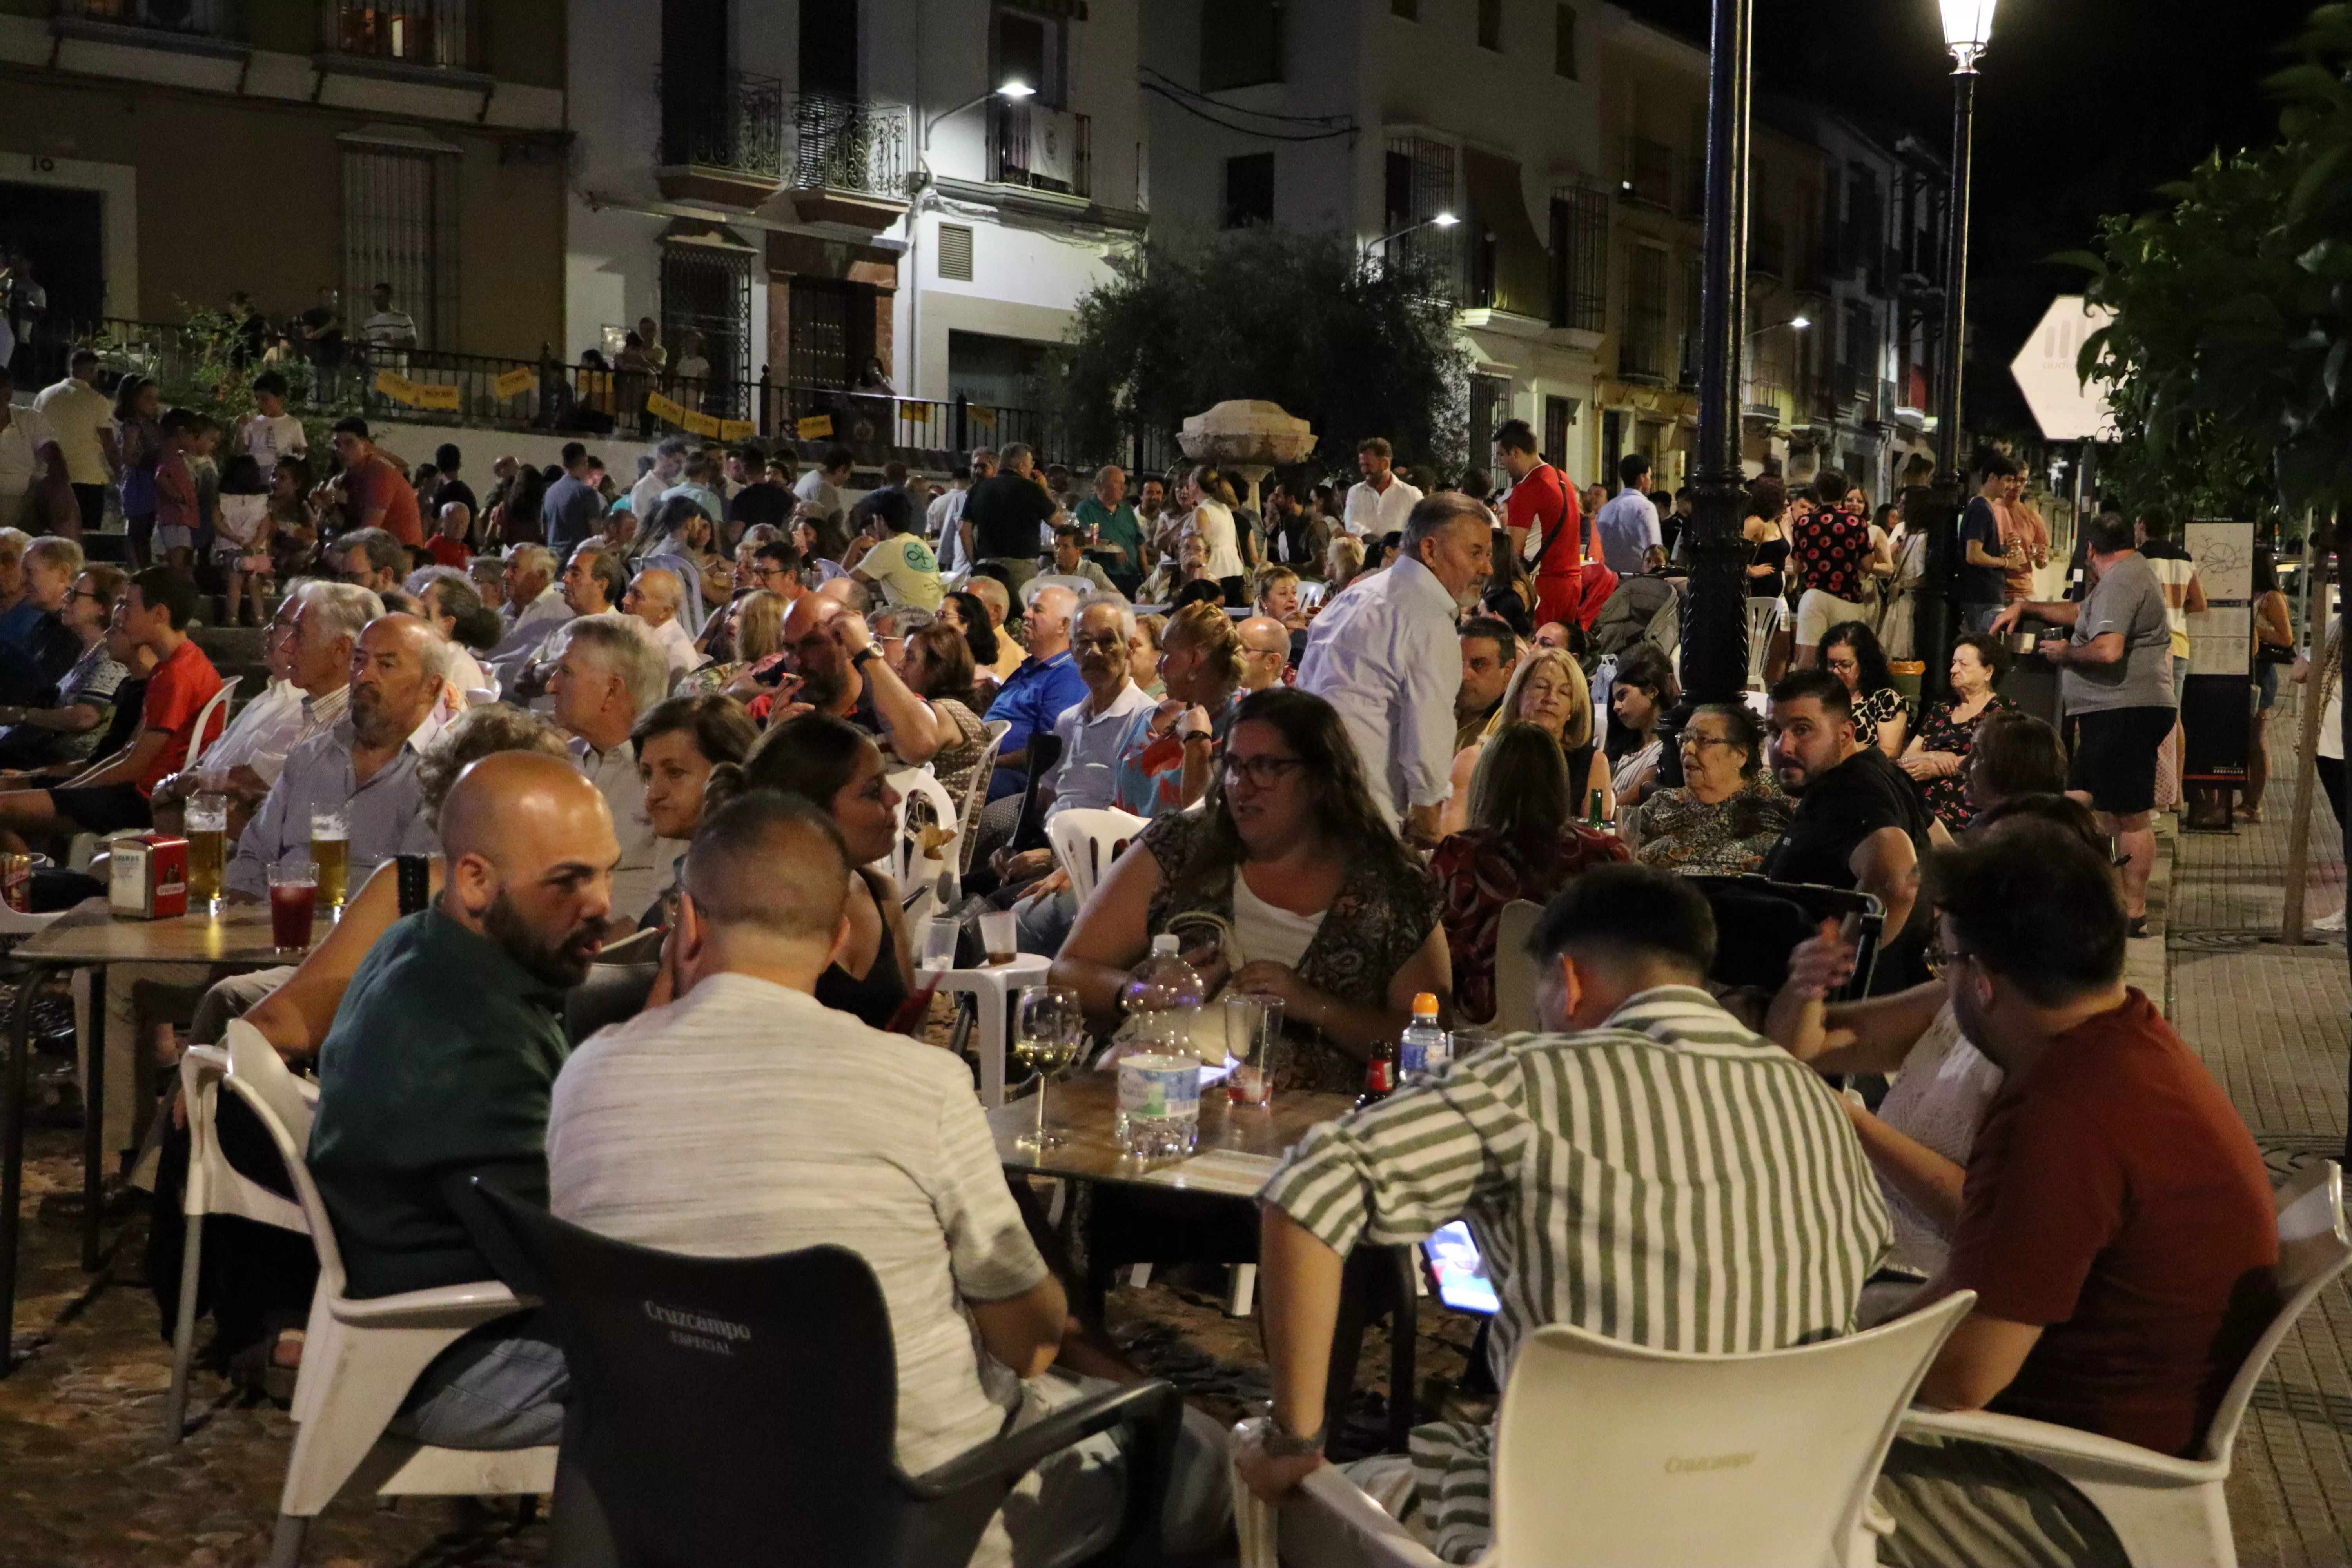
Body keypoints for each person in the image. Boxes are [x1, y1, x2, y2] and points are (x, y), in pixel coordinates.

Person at [548, 791, 1227, 1565]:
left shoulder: (586, 1078)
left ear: (688, 925)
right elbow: (1033, 1345)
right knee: (1201, 1457)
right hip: (918, 1514)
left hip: (674, 1500)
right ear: (839, 936)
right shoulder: (923, 1083)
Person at [1238, 862, 1890, 1563]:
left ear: (1571, 983)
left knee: (1266, 1479)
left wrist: (1294, 1442)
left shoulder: (1530, 1078)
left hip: (1561, 1533)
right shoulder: (1817, 1105)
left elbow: (1306, 1194)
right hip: (1787, 1532)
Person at [1865, 821, 2278, 1568]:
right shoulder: (2131, 1041)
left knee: (1750, 1494)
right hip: (2111, 1444)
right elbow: (1973, 1293)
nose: (1945, 978)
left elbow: (1963, 1377)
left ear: (1983, 979)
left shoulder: (2061, 1115)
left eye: (1946, 960)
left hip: (2074, 1489)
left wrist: (1800, 1388)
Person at [305, 752, 619, 1452]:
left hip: (399, 1312)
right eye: (568, 881)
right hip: (453, 1358)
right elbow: (565, 1270)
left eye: (605, 871)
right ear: (475, 879)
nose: (601, 903)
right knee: (737, 1378)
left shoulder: (416, 941)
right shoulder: (478, 1043)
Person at [1054, 688, 1450, 1093]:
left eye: (1266, 767)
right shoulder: (1181, 847)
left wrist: (1313, 1005)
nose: (1243, 786)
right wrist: (1140, 991)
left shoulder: (1391, 884)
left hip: (1312, 1127)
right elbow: (1067, 973)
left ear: (1320, 779)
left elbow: (1428, 1040)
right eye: (1234, 765)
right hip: (1159, 1093)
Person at [1991, 514, 2174, 933]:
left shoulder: (2123, 581)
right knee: (2091, 800)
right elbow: (2081, 612)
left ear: (2090, 550)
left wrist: (2064, 654)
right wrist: (2027, 605)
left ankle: (2132, 912)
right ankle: (2100, 896)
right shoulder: (2123, 579)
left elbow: (2108, 650)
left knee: (2129, 812)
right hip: (2111, 709)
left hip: (2124, 708)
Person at [1297, 493, 1492, 846]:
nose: (1487, 568)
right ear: (1430, 551)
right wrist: (1430, 836)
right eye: (1475, 553)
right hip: (1365, 827)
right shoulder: (1428, 621)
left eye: (1488, 556)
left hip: (1304, 810)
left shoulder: (1354, 596)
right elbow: (1426, 746)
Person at [225, 615, 446, 897]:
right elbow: (253, 857)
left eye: (386, 665)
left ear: (432, 687)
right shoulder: (310, 757)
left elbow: (414, 897)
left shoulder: (444, 774)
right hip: (276, 927)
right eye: (359, 660)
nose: (364, 675)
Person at [0, 568, 224, 843]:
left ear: (160, 614)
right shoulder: (180, 663)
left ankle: (22, 880)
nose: (120, 616)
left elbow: (135, 766)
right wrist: (71, 787)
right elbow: (130, 751)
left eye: (129, 606)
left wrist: (72, 790)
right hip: (139, 791)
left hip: (143, 800)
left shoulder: (178, 675)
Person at [721, 714, 912, 1030]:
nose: (894, 798)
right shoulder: (754, 911)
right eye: (873, 790)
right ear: (810, 810)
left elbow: (910, 1029)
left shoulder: (880, 892)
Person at [1433, 723, 1629, 1023]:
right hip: (1584, 1024)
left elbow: (1431, 956)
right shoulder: (1606, 853)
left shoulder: (1459, 856)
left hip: (1481, 1028)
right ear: (1559, 781)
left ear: (1486, 782)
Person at [1762, 667, 1932, 965]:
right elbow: (1947, 863)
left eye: (1802, 729)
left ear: (1845, 734)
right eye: (1775, 732)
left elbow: (1899, 881)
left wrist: (1832, 973)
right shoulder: (1884, 771)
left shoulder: (1844, 790)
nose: (1783, 747)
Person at [545, 615, 678, 922]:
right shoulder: (565, 761)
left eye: (566, 672)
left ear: (612, 691)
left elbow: (666, 909)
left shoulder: (668, 781)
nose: (551, 685)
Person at [1440, 644, 1607, 837]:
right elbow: (1451, 837)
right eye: (1541, 687)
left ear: (1573, 710)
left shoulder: (1594, 763)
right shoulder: (1473, 760)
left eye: (1564, 692)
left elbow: (1597, 838)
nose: (1551, 698)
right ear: (1518, 694)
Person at [1110, 598, 1246, 820]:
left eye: (1166, 653)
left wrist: (1198, 740)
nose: (1158, 666)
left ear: (1194, 660)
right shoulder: (1155, 715)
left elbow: (1201, 822)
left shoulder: (1243, 730)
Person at [1631, 701, 1795, 875]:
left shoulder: (1777, 798)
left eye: (1704, 740)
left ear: (1740, 755)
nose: (1688, 748)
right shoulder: (1662, 803)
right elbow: (1620, 855)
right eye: (1685, 739)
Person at [0, 564, 130, 771]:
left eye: (76, 595)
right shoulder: (86, 651)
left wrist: (20, 715)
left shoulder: (111, 656)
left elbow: (84, 716)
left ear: (103, 607)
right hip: (42, 753)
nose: (65, 600)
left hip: (64, 763)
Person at [1899, 633, 2017, 835]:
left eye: (1963, 664)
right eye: (1953, 663)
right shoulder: (1941, 710)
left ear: (1988, 672)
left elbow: (1996, 760)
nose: (1953, 670)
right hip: (1920, 807)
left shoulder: (2002, 711)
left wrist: (1942, 769)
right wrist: (1936, 756)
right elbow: (1907, 757)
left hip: (1968, 806)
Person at [2134, 505, 2205, 813]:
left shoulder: (2138, 560)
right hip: (2180, 643)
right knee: (2174, 718)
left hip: (2149, 646)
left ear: (2142, 526)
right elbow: (2200, 603)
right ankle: (2176, 795)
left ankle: (2153, 788)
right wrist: (2176, 612)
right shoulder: (2185, 560)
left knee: (2146, 717)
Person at [984, 581, 1084, 794]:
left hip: (1013, 782)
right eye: (1029, 607)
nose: (1026, 614)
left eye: (1037, 609)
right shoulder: (1030, 666)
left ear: (1064, 626)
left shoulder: (1068, 676)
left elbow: (1048, 751)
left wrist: (990, 762)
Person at [1490, 419, 1579, 630]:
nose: (1501, 462)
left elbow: (1512, 549)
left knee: (1538, 653)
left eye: (1502, 455)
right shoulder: (1562, 478)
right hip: (1572, 584)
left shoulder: (1528, 489)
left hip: (1542, 585)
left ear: (1516, 452)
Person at [1790, 469, 1883, 667]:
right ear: (1843, 493)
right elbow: (1869, 565)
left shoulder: (1803, 523)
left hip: (1813, 595)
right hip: (1846, 596)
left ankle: (1805, 696)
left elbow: (1797, 566)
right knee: (1845, 659)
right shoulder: (1855, 523)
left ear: (1818, 491)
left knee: (1808, 659)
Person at [33, 348, 117, 535]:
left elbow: (36, 433)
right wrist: (119, 474)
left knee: (50, 535)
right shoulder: (97, 401)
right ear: (92, 371)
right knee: (85, 535)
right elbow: (108, 443)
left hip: (51, 476)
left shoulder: (45, 396)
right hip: (87, 478)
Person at [2244, 545, 2295, 822]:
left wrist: (2254, 630)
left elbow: (2287, 638)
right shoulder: (2250, 594)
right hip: (2246, 670)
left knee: (2256, 739)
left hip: (2262, 673)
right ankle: (2245, 798)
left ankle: (2254, 802)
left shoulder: (2271, 598)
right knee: (2245, 738)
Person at [1602, 642, 1677, 811]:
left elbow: (1611, 809)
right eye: (1615, 699)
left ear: (1653, 690)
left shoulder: (1668, 750)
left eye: (1623, 695)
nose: (1616, 707)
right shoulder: (1626, 749)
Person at [1821, 619, 1909, 757]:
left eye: (1845, 665)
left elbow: (1888, 755)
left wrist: (1841, 748)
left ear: (1865, 666)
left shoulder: (1885, 700)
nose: (1836, 671)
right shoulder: (1821, 698)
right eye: (1832, 664)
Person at [329, 417, 423, 548]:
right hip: (380, 551)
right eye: (337, 444)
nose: (342, 451)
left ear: (367, 446)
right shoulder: (350, 476)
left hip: (402, 556)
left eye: (349, 443)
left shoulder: (379, 474)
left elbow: (368, 532)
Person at [1956, 454, 2016, 635]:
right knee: (1983, 647)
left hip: (1983, 596)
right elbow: (1973, 555)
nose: (2011, 486)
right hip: (1981, 596)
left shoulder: (1982, 507)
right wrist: (2006, 563)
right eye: (2008, 480)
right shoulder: (1980, 509)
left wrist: (2002, 550)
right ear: (1992, 477)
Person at [1176, 466, 1248, 604]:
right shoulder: (1223, 507)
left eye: (1189, 483)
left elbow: (1200, 546)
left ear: (1196, 485)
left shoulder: (1203, 511)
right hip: (1235, 572)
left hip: (1216, 577)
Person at [620, 566, 696, 687]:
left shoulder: (673, 656)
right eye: (630, 591)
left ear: (665, 612)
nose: (626, 600)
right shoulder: (644, 636)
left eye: (638, 596)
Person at [1452, 615, 1516, 752]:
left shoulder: (1510, 727)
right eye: (1457, 661)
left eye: (1479, 664)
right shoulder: (1441, 703)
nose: (1464, 675)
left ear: (1508, 671)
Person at [1341, 436, 1423, 541]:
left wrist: (1391, 548)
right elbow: (1352, 526)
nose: (1364, 470)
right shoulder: (1356, 492)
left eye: (1368, 465)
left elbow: (1418, 531)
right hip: (1365, 557)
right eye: (1361, 465)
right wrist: (1379, 545)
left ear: (1385, 463)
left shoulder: (1411, 495)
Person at [1592, 451, 1661, 576]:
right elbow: (1655, 550)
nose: (1651, 482)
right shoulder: (1646, 507)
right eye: (1650, 477)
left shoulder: (1606, 509)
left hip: (1609, 578)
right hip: (1638, 580)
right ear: (1642, 478)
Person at [541, 441, 604, 556]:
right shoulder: (587, 493)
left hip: (552, 559)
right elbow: (596, 534)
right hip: (576, 560)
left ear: (564, 462)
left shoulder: (550, 493)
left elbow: (544, 531)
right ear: (585, 462)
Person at [793, 445, 855, 523]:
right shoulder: (824, 488)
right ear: (840, 470)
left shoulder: (812, 476)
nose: (849, 477)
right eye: (849, 472)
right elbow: (823, 525)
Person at [1234, 615, 1291, 694]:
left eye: (1243, 649)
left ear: (1272, 661)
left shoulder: (1282, 706)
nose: (1232, 655)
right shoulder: (1238, 695)